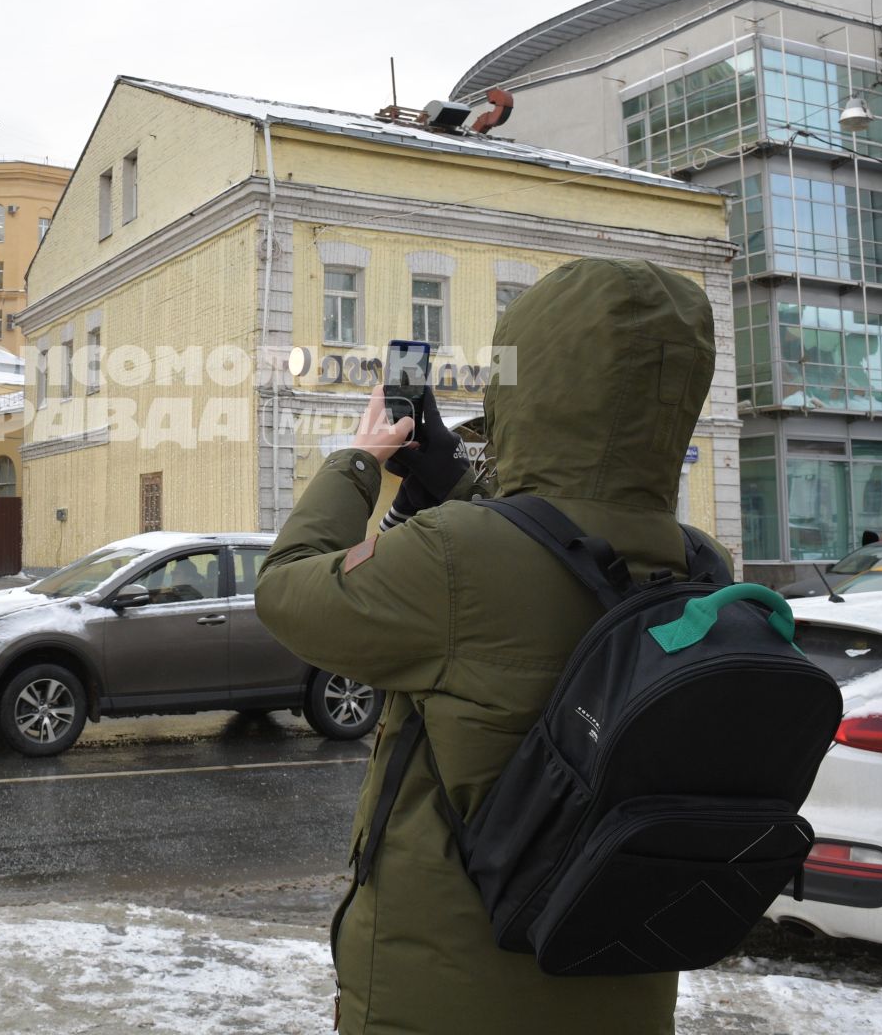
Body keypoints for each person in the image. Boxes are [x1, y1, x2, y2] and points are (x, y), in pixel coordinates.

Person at [255, 258, 719, 1035]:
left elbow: (289, 590)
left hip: (442, 998)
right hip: (625, 986)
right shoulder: (699, 565)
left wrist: (361, 461)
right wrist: (454, 481)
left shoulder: (456, 556)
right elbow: (559, 555)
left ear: (527, 389)